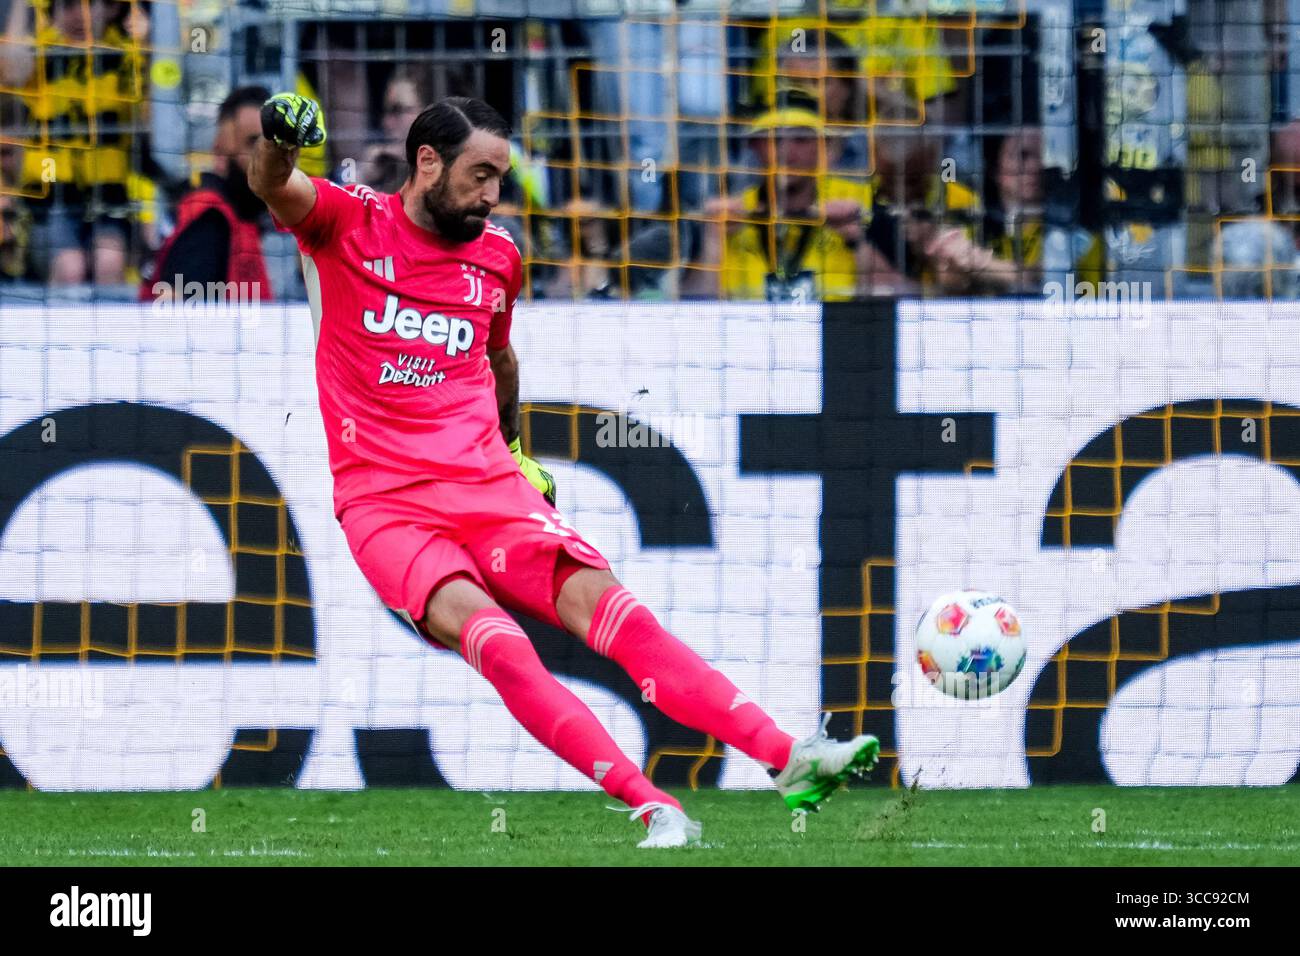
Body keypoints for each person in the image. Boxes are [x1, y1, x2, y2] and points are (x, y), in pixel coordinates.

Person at [249, 92, 880, 847]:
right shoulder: (348, 223)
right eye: (480, 175)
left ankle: (789, 759)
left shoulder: (498, 255)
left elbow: (499, 356)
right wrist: (278, 139)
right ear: (427, 162)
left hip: (487, 486)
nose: (491, 195)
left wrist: (516, 451)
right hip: (386, 506)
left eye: (500, 179)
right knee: (500, 644)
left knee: (618, 615)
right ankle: (652, 804)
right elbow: (269, 181)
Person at [139, 86, 274, 302]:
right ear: (220, 153)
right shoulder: (210, 223)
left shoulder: (237, 220)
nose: (266, 158)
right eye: (253, 143)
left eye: (273, 147)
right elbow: (170, 314)